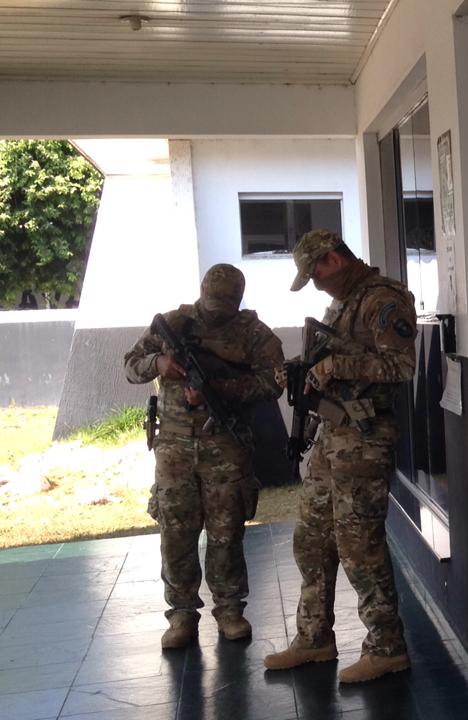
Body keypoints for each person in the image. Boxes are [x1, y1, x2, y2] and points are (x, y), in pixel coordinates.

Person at [263, 229, 417, 684]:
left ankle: (387, 647)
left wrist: (336, 366)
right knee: (310, 539)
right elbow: (328, 356)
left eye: (316, 275)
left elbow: (402, 365)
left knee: (358, 545)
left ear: (334, 259)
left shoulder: (382, 299)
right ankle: (313, 638)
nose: (316, 285)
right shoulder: (342, 304)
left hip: (365, 440)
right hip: (332, 436)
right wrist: (301, 370)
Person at [124, 263, 283, 649]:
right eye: (212, 307)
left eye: (224, 309)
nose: (216, 315)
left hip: (225, 446)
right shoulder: (173, 324)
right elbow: (131, 365)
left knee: (226, 533)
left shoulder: (254, 334)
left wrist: (222, 390)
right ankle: (181, 614)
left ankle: (229, 609)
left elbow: (274, 382)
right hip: (174, 448)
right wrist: (159, 364)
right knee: (176, 533)